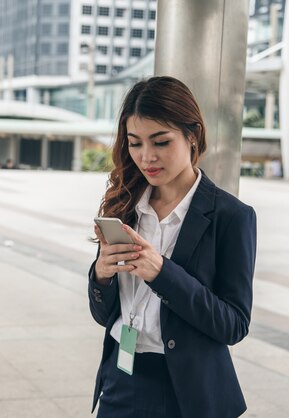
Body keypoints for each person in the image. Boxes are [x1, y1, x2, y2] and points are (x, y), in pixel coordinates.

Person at [88, 76, 257, 418]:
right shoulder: (124, 206)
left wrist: (163, 273)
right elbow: (104, 314)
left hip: (187, 393)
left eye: (161, 142)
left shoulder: (231, 216)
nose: (146, 157)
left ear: (192, 135)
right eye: (135, 143)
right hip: (121, 376)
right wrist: (101, 276)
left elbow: (234, 324)